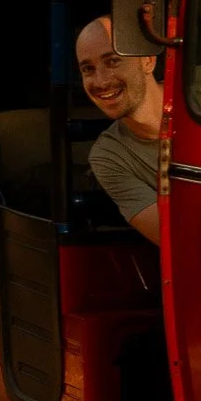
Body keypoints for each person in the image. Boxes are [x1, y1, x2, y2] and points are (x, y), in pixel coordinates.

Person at [75, 15, 162, 242]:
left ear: (148, 60)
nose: (101, 81)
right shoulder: (109, 157)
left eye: (112, 61)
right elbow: (180, 241)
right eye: (88, 69)